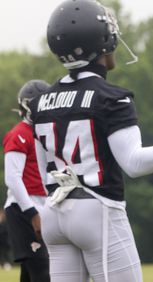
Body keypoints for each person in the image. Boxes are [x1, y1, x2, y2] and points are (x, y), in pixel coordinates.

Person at [30, 1, 153, 281]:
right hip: (97, 210)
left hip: (54, 214)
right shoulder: (112, 97)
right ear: (101, 40)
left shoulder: (39, 102)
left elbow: (43, 168)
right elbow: (134, 163)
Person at [3, 80, 51, 281]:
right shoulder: (19, 134)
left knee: (31, 272)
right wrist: (32, 212)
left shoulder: (46, 133)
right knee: (41, 269)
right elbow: (12, 179)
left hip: (44, 204)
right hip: (23, 209)